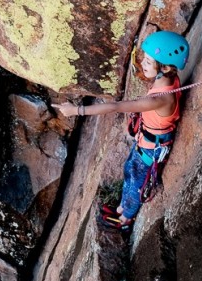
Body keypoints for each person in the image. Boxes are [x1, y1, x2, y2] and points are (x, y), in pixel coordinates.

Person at [52, 31, 189, 231]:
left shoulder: (160, 99)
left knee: (136, 183)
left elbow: (116, 107)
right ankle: (122, 206)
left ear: (165, 67)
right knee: (130, 169)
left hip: (151, 149)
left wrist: (77, 111)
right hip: (146, 141)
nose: (143, 63)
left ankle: (125, 219)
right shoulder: (169, 80)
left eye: (149, 62)